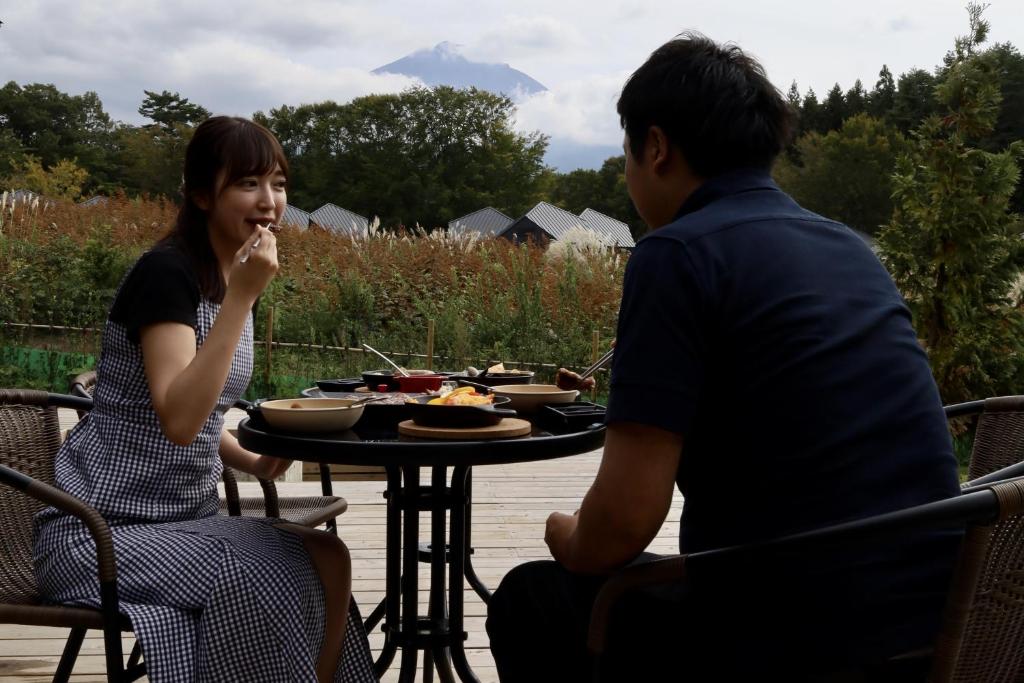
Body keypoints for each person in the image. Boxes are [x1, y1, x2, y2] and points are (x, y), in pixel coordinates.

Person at [487, 33, 961, 682]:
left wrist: (565, 533)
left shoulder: (676, 254)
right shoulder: (851, 248)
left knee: (531, 600)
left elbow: (621, 525)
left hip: (794, 638)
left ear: (654, 147)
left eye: (625, 151)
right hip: (943, 623)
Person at [33, 116, 376, 682]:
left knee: (327, 558)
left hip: (182, 518)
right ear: (199, 194)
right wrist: (244, 295)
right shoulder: (169, 274)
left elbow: (202, 410)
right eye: (247, 183)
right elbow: (178, 417)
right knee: (258, 575)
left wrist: (256, 458)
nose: (269, 202)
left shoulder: (230, 273)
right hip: (103, 530)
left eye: (279, 183)